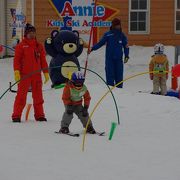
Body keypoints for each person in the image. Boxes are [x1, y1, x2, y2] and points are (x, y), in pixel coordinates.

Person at [12, 23, 50, 122]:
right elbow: (17, 60)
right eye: (30, 33)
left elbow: (43, 60)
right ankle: (16, 115)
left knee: (38, 97)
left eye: (33, 32)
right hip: (24, 75)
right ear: (26, 34)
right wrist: (16, 72)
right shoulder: (21, 46)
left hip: (36, 76)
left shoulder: (39, 46)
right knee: (21, 96)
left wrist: (45, 72)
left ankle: (40, 115)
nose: (32, 34)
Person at [89, 18, 129, 88]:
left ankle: (120, 91)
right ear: (113, 26)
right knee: (110, 75)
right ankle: (110, 90)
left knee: (119, 76)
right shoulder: (108, 35)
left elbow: (126, 46)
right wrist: (92, 48)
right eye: (116, 25)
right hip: (109, 59)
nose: (118, 27)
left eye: (119, 25)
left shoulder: (122, 35)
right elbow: (100, 43)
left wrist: (126, 55)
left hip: (119, 60)